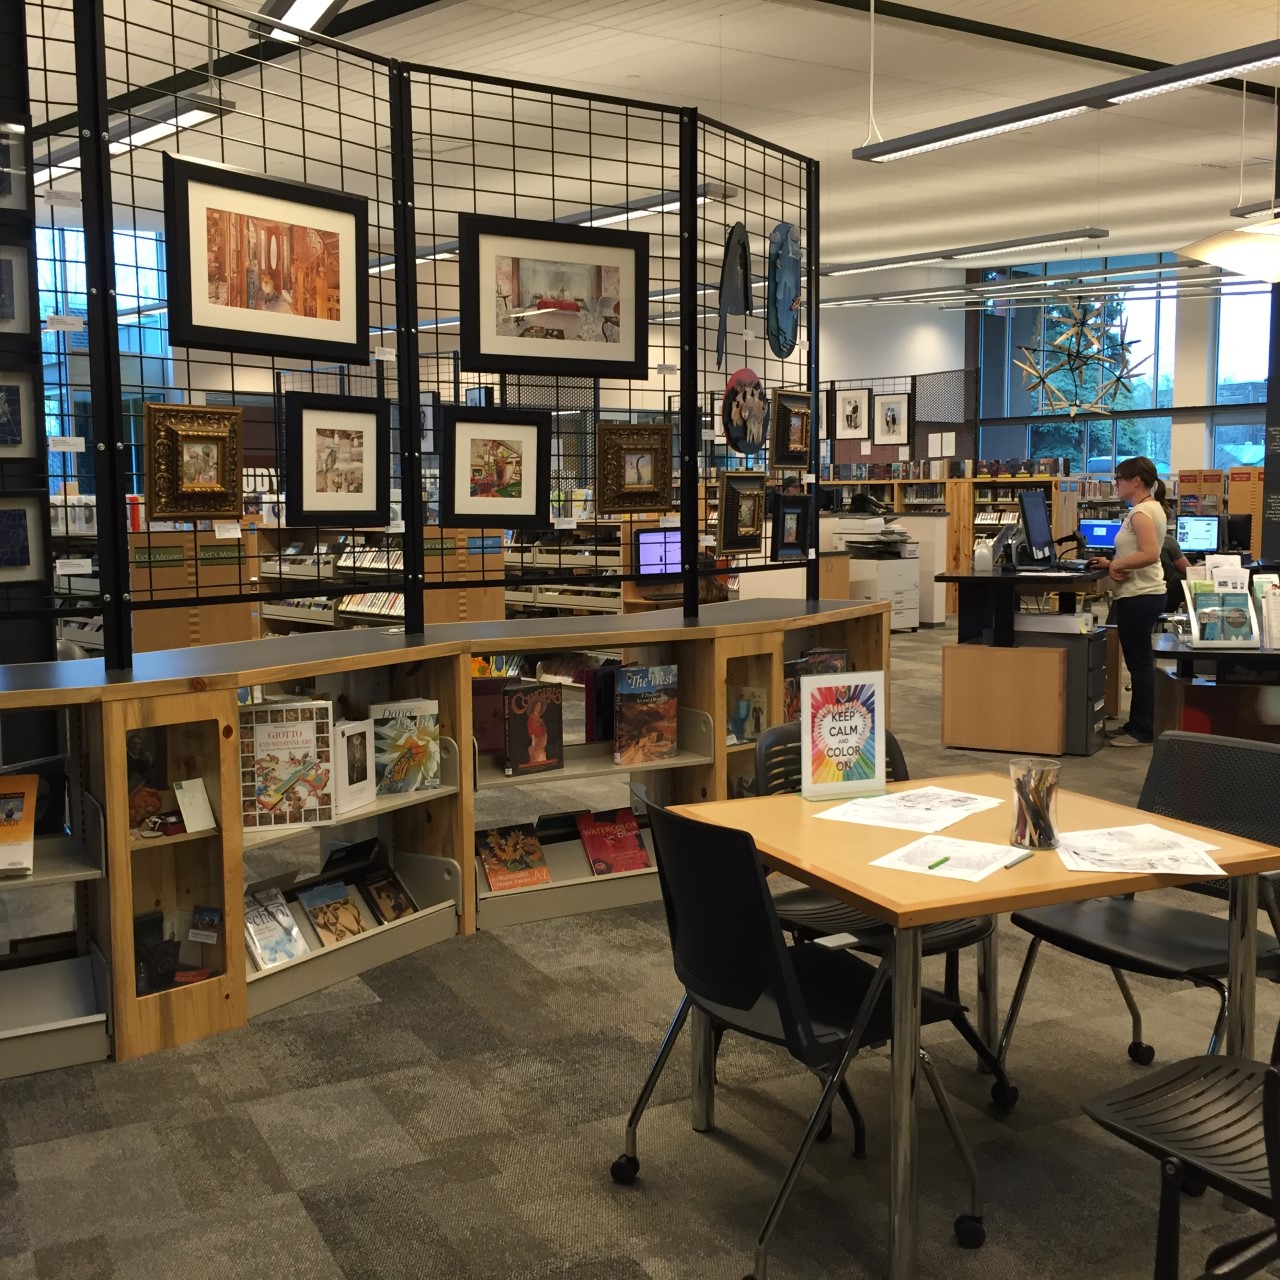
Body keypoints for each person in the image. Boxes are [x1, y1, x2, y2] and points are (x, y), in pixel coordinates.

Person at [1087, 456, 1168, 747]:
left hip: (1140, 595)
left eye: (1119, 479)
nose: (1116, 484)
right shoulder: (1150, 509)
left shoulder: (1140, 514)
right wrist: (1115, 562)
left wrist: (1114, 566)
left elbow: (1149, 554)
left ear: (1136, 481)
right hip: (1145, 592)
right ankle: (1137, 723)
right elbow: (1142, 553)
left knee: (1140, 664)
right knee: (1139, 663)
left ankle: (1142, 731)